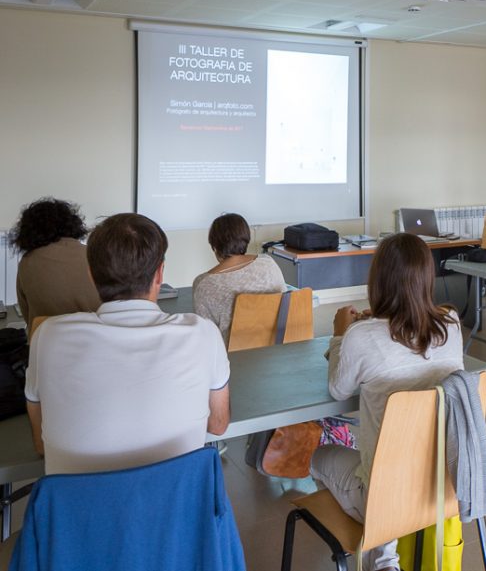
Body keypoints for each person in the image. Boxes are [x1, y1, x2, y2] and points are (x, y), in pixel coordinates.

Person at [24, 213, 231, 474]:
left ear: (91, 274)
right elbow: (218, 424)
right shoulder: (203, 334)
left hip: (83, 512)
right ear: (160, 274)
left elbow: (41, 443)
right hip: (175, 510)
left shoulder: (48, 336)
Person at [310, 233, 463, 571]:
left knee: (318, 456)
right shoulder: (451, 325)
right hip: (444, 488)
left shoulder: (359, 337)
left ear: (377, 279)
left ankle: (381, 555)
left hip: (385, 497)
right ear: (426, 278)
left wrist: (340, 335)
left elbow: (338, 390)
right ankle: (385, 556)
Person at [10, 197, 101, 334]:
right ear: (72, 224)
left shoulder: (27, 262)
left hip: (47, 345)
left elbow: (27, 314)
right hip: (98, 340)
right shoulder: (95, 254)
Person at [193, 213, 286, 344]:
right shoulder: (268, 263)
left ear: (214, 246)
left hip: (231, 356)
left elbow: (206, 335)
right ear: (246, 239)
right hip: (274, 346)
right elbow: (284, 302)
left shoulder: (204, 283)